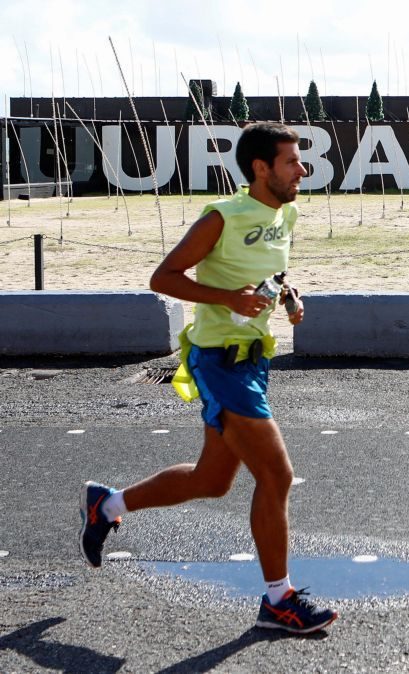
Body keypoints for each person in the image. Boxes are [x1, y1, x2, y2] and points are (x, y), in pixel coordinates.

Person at [79, 122, 337, 634]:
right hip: (218, 360)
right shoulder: (222, 216)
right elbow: (164, 278)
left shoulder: (286, 212)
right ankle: (277, 600)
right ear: (261, 168)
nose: (302, 170)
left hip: (254, 359)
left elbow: (272, 270)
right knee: (277, 475)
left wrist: (289, 297)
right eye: (291, 161)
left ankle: (105, 504)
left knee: (211, 481)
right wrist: (229, 300)